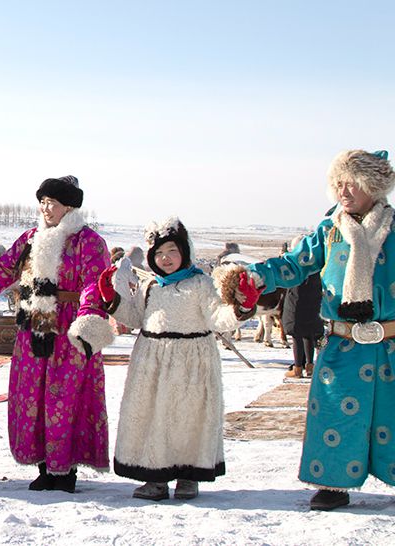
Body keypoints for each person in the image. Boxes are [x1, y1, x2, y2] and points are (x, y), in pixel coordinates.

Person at [247, 150, 395, 511]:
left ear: (373, 185)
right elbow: (294, 264)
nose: (343, 191)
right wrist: (255, 276)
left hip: (391, 343)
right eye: (338, 183)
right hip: (343, 344)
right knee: (334, 412)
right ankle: (333, 484)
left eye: (352, 183)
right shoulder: (329, 231)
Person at [0, 176, 114, 492]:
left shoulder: (88, 242)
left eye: (52, 203)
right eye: (42, 202)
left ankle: (64, 471)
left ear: (69, 207)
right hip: (34, 326)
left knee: (65, 396)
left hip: (69, 328)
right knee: (33, 395)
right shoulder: (30, 239)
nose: (46, 208)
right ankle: (43, 465)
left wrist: (89, 319)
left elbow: (96, 285)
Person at [99, 218, 258, 501]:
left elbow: (218, 317)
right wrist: (112, 299)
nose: (166, 258)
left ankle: (188, 475)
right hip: (152, 362)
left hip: (191, 362)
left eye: (172, 251)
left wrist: (242, 307)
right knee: (152, 418)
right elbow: (135, 318)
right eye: (159, 253)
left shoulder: (200, 283)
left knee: (188, 418)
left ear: (185, 251)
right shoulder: (151, 286)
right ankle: (155, 477)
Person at [281, 235, 324, 379]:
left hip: (296, 302)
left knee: (297, 335)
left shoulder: (294, 264)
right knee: (309, 334)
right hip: (313, 302)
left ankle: (298, 368)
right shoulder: (316, 263)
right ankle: (309, 366)